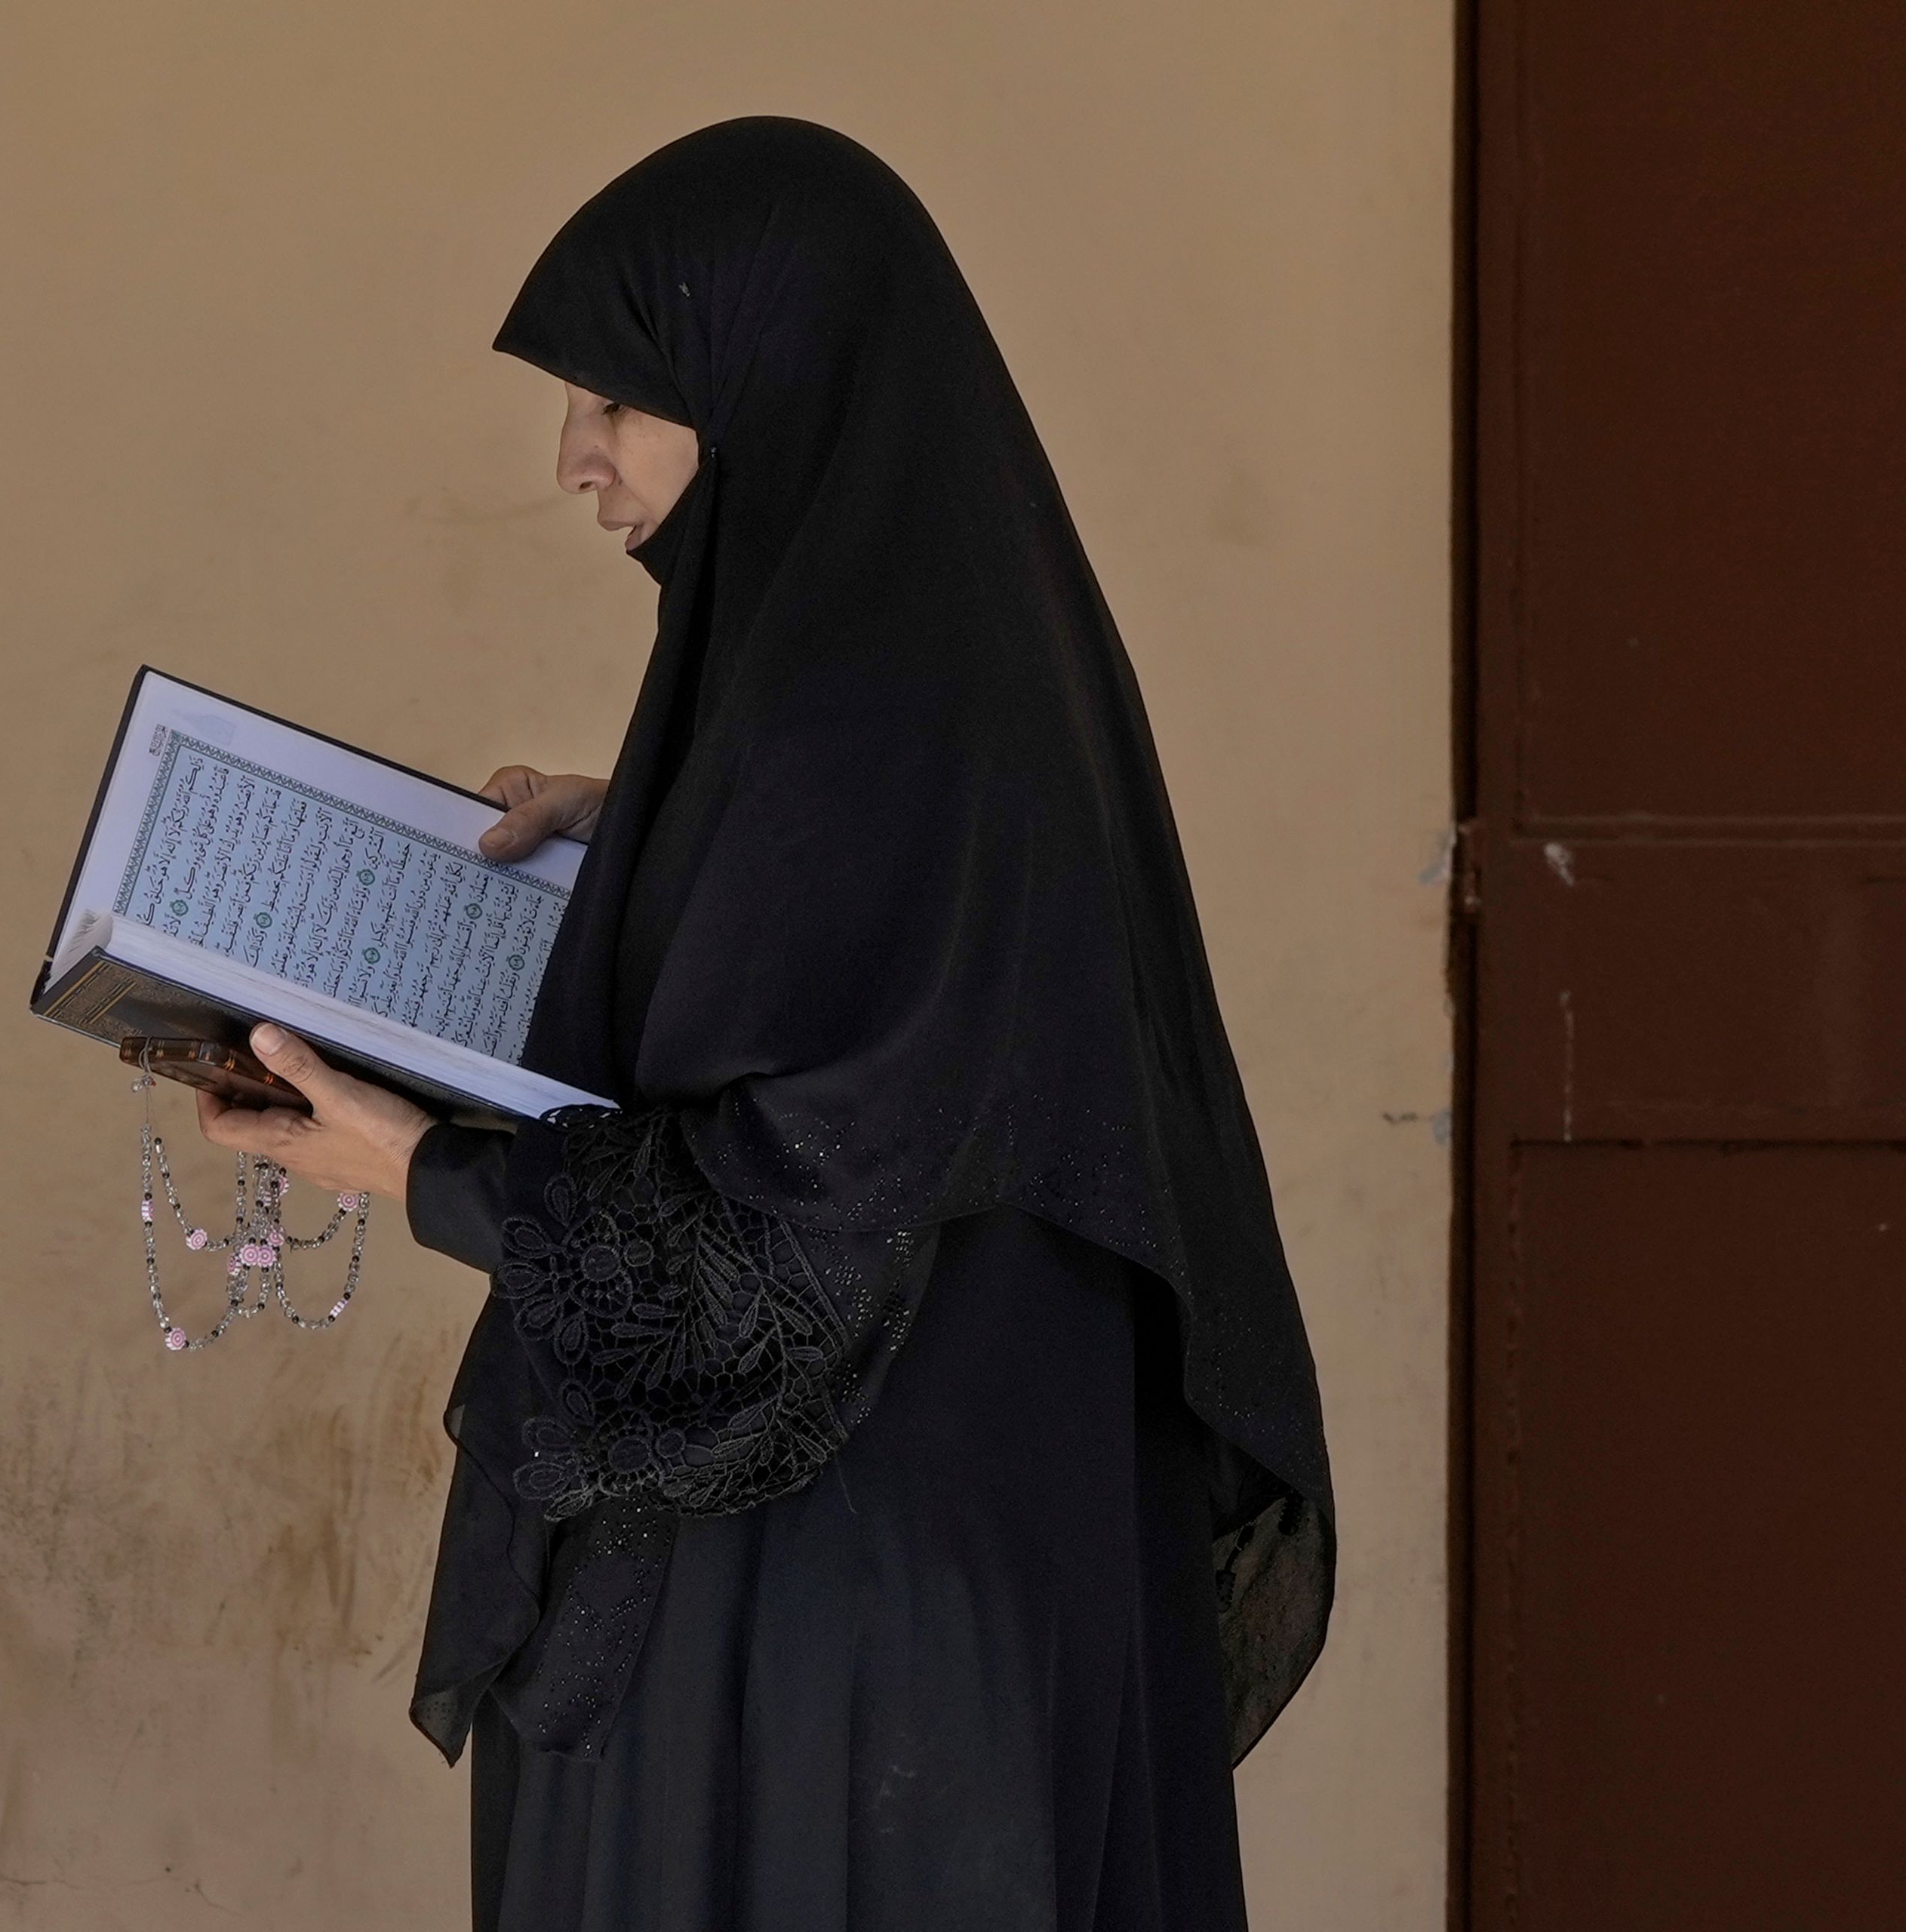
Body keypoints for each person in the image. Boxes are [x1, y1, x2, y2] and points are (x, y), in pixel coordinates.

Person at [198, 117, 1333, 1932]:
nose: (576, 459)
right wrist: (647, 841)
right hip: (922, 1607)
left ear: (771, 378)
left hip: (832, 1658)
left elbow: (783, 1239)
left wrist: (414, 1162)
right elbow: (869, 1021)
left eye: (619, 402)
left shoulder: (864, 732)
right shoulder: (923, 679)